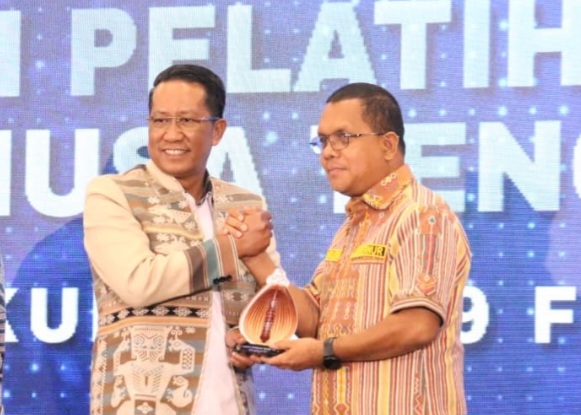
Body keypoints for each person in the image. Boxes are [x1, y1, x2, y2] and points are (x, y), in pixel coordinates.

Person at [228, 82, 472, 415]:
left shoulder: (421, 214)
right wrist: (256, 256)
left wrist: (324, 352)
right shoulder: (353, 226)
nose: (328, 152)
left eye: (343, 138)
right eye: (323, 141)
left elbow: (416, 325)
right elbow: (314, 319)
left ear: (388, 144)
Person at [83, 64, 278, 415]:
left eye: (187, 120)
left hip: (231, 403)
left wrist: (256, 336)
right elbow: (138, 282)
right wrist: (232, 250)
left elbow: (273, 300)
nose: (171, 134)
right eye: (160, 120)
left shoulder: (246, 205)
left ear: (218, 130)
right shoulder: (112, 193)